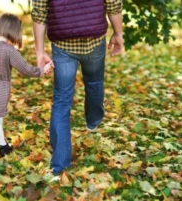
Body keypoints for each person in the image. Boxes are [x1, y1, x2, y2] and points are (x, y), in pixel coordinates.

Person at [31, 0, 123, 175]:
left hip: (63, 45)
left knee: (62, 100)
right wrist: (118, 33)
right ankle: (93, 120)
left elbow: (39, 13)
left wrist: (39, 51)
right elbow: (114, 4)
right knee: (94, 83)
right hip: (94, 41)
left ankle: (59, 164)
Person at [0, 13, 53, 166]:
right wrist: (42, 70)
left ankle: (3, 147)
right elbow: (25, 69)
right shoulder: (9, 50)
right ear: (14, 31)